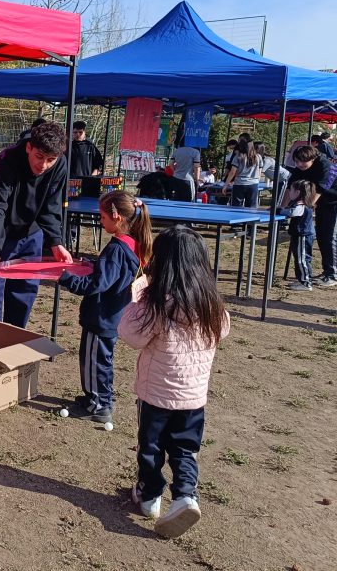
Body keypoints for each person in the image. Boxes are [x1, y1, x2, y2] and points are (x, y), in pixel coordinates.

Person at [119, 225, 231, 539]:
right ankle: (185, 495)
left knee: (151, 448)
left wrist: (138, 295)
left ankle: (149, 495)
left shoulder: (157, 304)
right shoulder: (212, 304)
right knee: (185, 449)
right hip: (194, 398)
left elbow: (129, 334)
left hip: (156, 395)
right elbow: (223, 331)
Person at [59, 191, 152, 424]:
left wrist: (66, 278)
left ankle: (98, 405)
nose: (100, 222)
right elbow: (109, 273)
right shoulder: (131, 244)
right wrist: (91, 265)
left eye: (102, 218)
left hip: (101, 317)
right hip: (113, 315)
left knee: (94, 361)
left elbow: (96, 285)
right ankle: (100, 397)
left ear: (117, 217)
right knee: (102, 360)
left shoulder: (116, 249)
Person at [0, 121, 72, 327]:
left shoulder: (61, 164)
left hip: (32, 233)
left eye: (50, 160)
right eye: (39, 157)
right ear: (29, 147)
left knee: (25, 290)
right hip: (1, 231)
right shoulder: (8, 159)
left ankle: (14, 340)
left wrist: (56, 242)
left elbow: (52, 206)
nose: (44, 165)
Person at [290, 145, 337, 286]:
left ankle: (332, 274)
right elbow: (290, 186)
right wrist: (281, 205)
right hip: (322, 203)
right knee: (321, 236)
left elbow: (320, 188)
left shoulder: (325, 165)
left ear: (312, 158)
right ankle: (327, 271)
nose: (299, 165)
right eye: (296, 162)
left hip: (334, 201)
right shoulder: (299, 168)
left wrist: (306, 206)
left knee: (329, 237)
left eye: (302, 162)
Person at [283, 179, 317, 292]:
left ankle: (306, 283)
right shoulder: (298, 203)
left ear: (297, 192)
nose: (289, 193)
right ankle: (302, 279)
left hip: (303, 235)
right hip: (299, 234)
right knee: (300, 258)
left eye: (291, 191)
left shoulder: (301, 205)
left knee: (302, 259)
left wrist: (279, 210)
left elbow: (291, 213)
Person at [222, 139, 261, 207]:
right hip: (253, 183)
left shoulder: (238, 157)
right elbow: (259, 172)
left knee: (236, 206)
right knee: (251, 206)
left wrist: (226, 185)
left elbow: (232, 172)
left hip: (240, 183)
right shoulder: (258, 157)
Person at [168, 124, 201, 202]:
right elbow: (196, 166)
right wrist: (197, 179)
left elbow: (171, 164)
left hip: (176, 178)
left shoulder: (177, 151)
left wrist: (175, 171)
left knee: (176, 200)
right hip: (188, 179)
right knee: (189, 202)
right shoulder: (195, 152)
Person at [254, 141, 290, 206]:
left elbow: (259, 171)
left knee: (279, 198)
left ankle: (276, 211)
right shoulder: (261, 160)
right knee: (276, 196)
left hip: (284, 178)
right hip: (278, 180)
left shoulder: (267, 160)